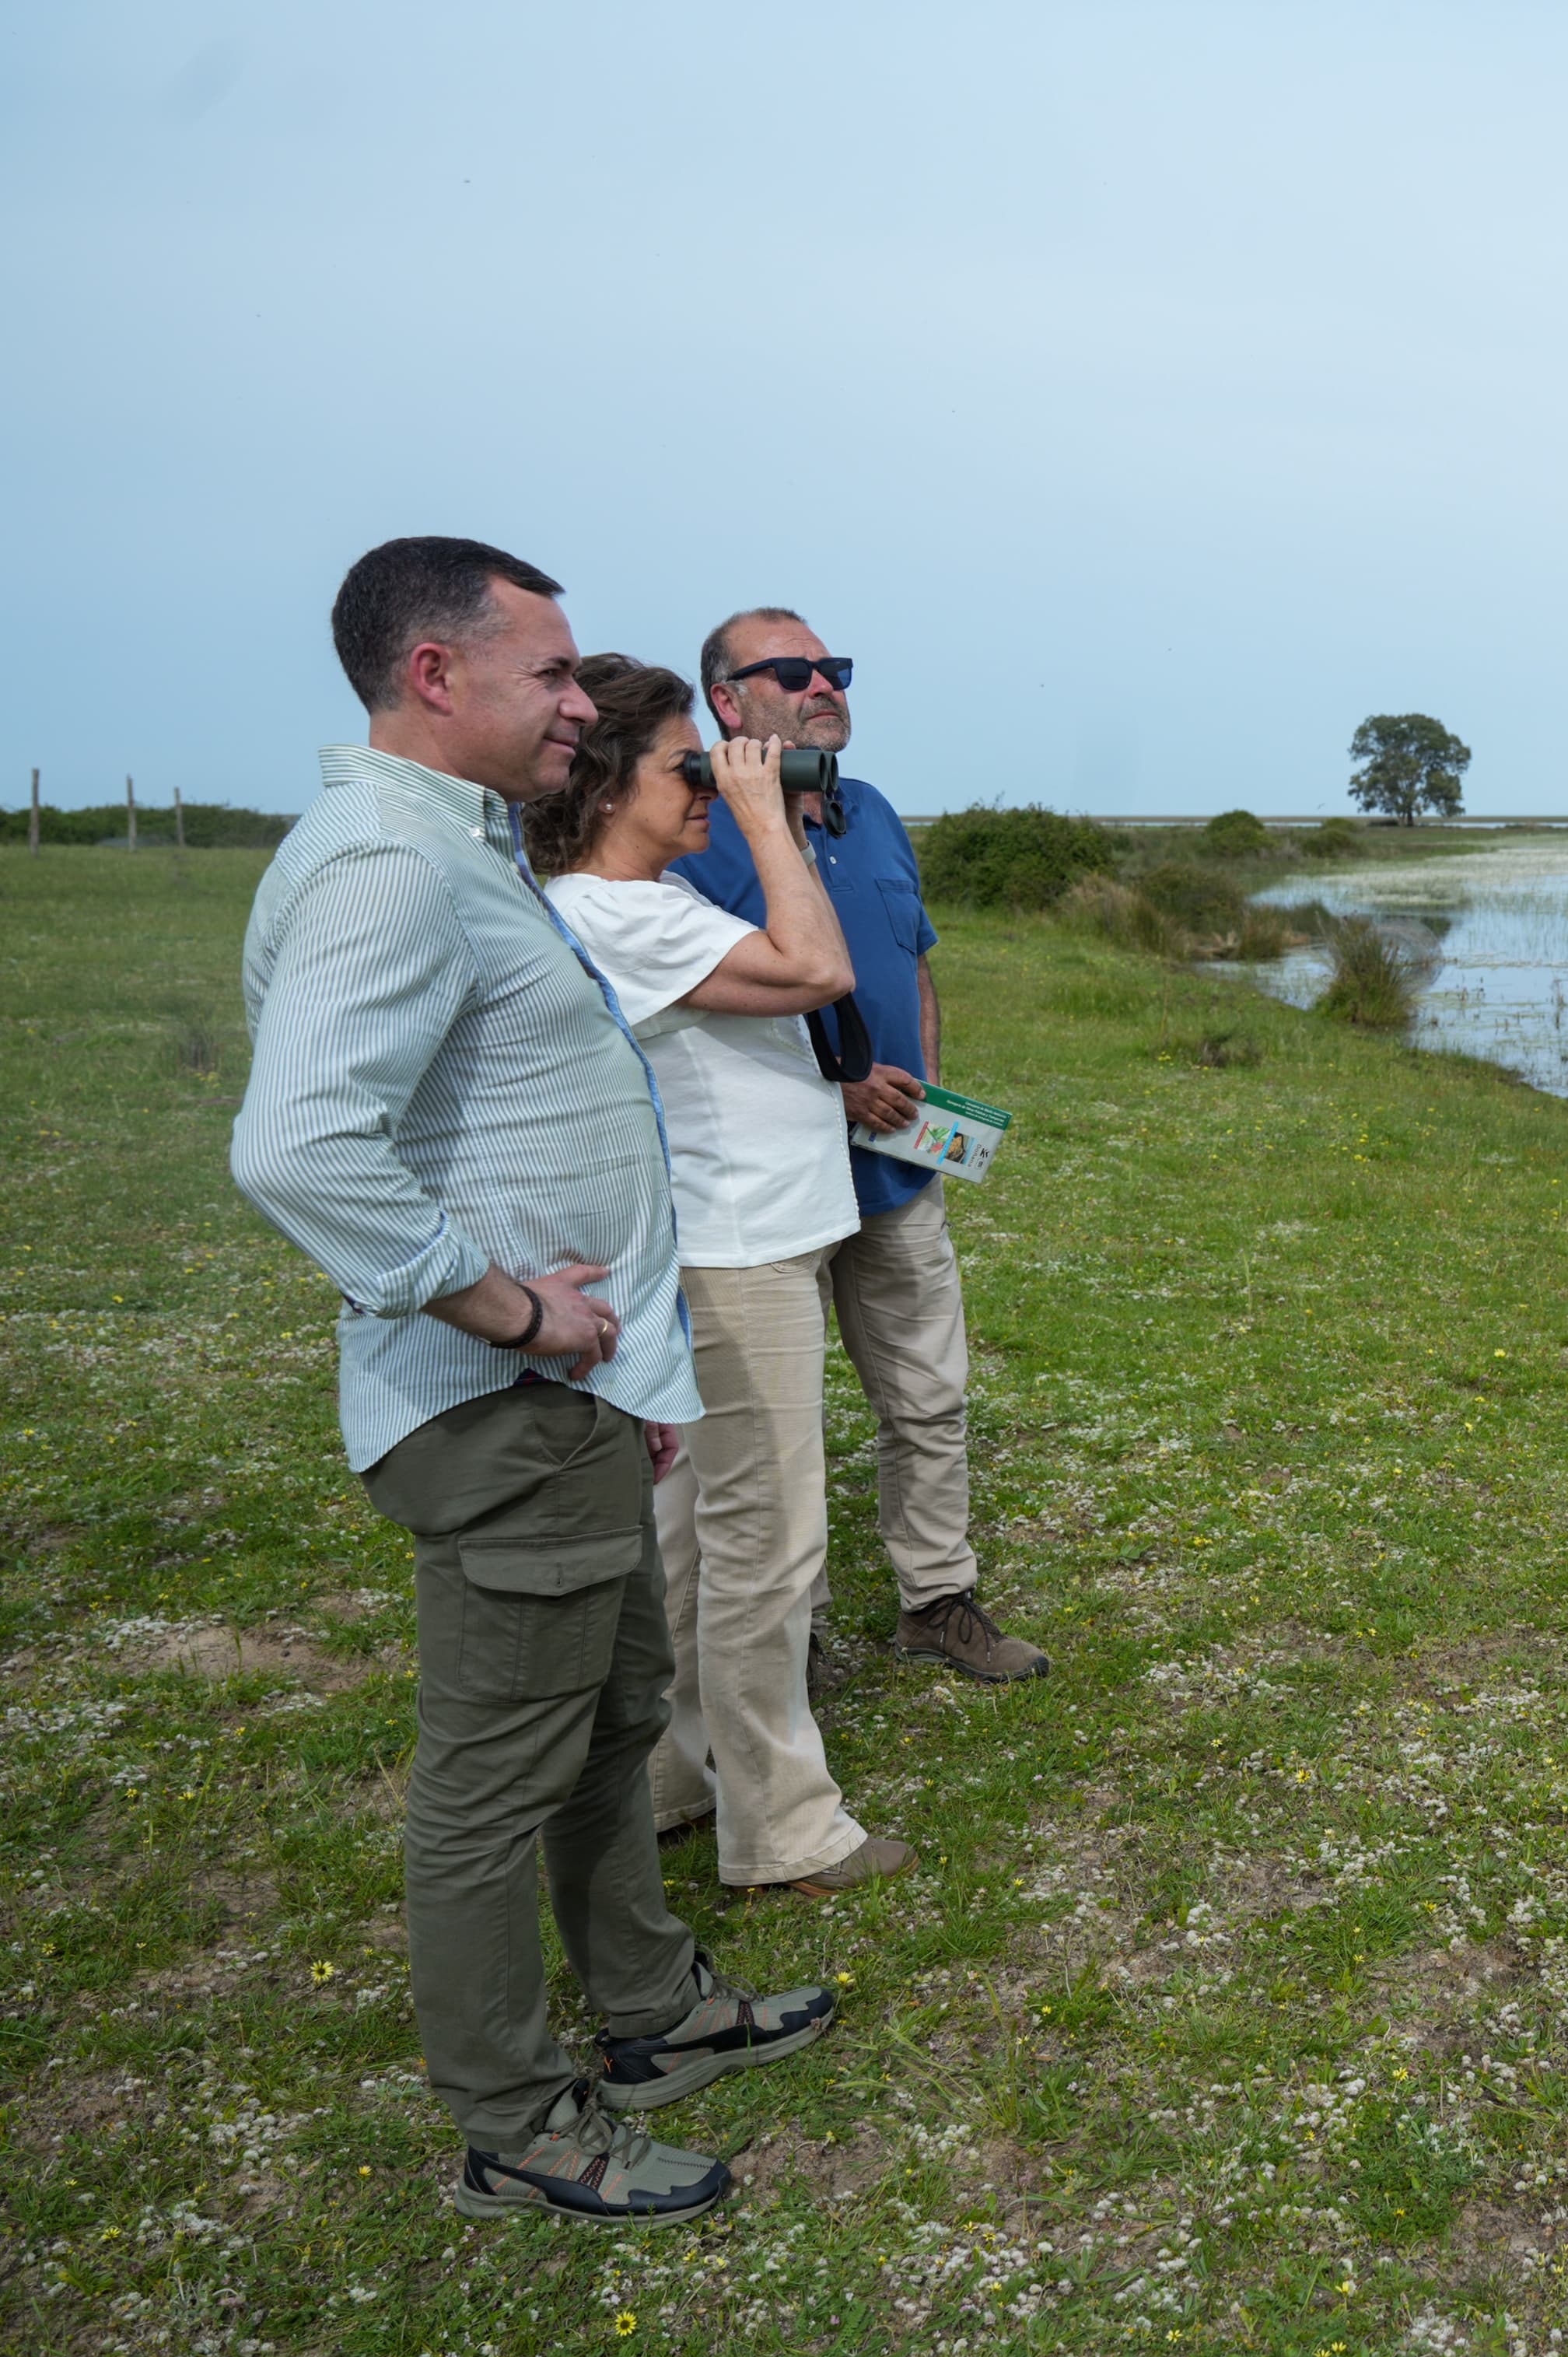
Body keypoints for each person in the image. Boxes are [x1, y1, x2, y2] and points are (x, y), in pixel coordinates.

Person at [231, 538, 835, 2227]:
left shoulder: (460, 849)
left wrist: (611, 1347)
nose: (584, 703)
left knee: (605, 1725)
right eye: (554, 674)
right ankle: (514, 2118)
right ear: (436, 677)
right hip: (500, 1404)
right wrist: (505, 1307)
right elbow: (296, 1148)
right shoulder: (386, 865)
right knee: (496, 1781)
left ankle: (649, 2013)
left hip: (575, 1400)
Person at [521, 657, 919, 1898]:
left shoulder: (634, 902)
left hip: (741, 1241)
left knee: (695, 1535)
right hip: (736, 1253)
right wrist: (765, 813)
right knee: (769, 1543)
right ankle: (783, 1828)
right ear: (604, 785)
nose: (707, 785)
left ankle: (679, 1775)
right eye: (685, 768)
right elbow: (819, 970)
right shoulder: (616, 909)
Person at [673, 606, 1047, 1683]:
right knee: (776, 1429)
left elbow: (911, 963)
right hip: (767, 1182)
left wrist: (921, 1100)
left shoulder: (870, 810)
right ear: (727, 702)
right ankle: (796, 1635)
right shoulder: (694, 828)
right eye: (790, 670)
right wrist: (834, 1094)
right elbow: (683, 1005)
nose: (823, 683)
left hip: (895, 1170)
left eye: (833, 666)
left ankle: (937, 1599)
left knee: (930, 1394)